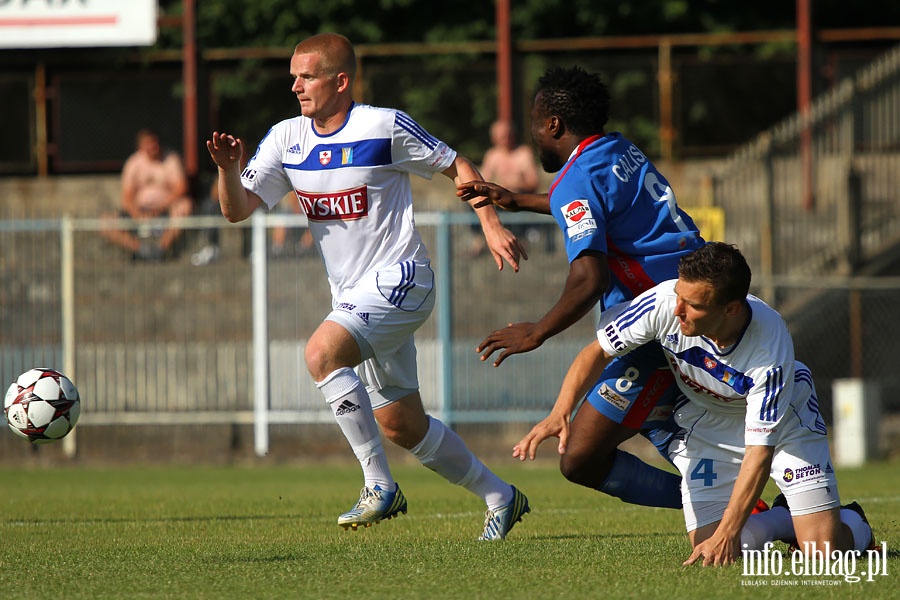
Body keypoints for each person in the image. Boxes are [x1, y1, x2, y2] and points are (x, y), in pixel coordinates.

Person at [206, 33, 529, 540]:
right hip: (355, 297)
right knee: (401, 425)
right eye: (292, 75)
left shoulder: (383, 125)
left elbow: (457, 165)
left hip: (402, 278)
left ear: (340, 81)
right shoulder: (287, 138)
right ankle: (501, 496)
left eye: (306, 76)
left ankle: (379, 485)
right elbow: (237, 210)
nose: (295, 86)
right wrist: (228, 171)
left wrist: (489, 222)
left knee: (320, 354)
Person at [514, 242, 875, 566]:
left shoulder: (769, 350)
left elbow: (760, 452)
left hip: (785, 424)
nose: (678, 309)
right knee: (710, 550)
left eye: (693, 305)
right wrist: (560, 411)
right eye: (679, 297)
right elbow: (597, 351)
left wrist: (730, 532)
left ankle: (854, 523)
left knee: (823, 553)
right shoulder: (665, 301)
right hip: (709, 421)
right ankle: (784, 517)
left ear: (731, 309)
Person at [457, 66, 704, 510]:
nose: (534, 135)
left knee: (581, 459)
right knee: (653, 419)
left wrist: (536, 333)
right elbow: (595, 204)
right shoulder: (620, 149)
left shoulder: (575, 179)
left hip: (660, 324)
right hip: (694, 296)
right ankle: (729, 497)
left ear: (553, 125)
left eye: (536, 123)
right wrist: (516, 200)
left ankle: (731, 507)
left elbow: (589, 276)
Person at [101, 129, 193, 260]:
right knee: (106, 221)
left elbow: (181, 187)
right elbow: (127, 196)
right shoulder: (133, 163)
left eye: (155, 143)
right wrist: (137, 214)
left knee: (185, 206)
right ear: (140, 147)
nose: (153, 147)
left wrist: (161, 207)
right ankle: (140, 249)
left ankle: (162, 248)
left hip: (166, 209)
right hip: (140, 212)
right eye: (148, 144)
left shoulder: (170, 158)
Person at [467, 119, 541, 256]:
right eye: (501, 136)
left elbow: (533, 183)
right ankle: (479, 240)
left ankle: (521, 239)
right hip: (498, 198)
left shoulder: (523, 153)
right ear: (494, 138)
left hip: (518, 197)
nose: (505, 139)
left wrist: (514, 185)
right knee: (474, 201)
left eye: (507, 135)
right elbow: (481, 180)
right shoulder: (493, 155)